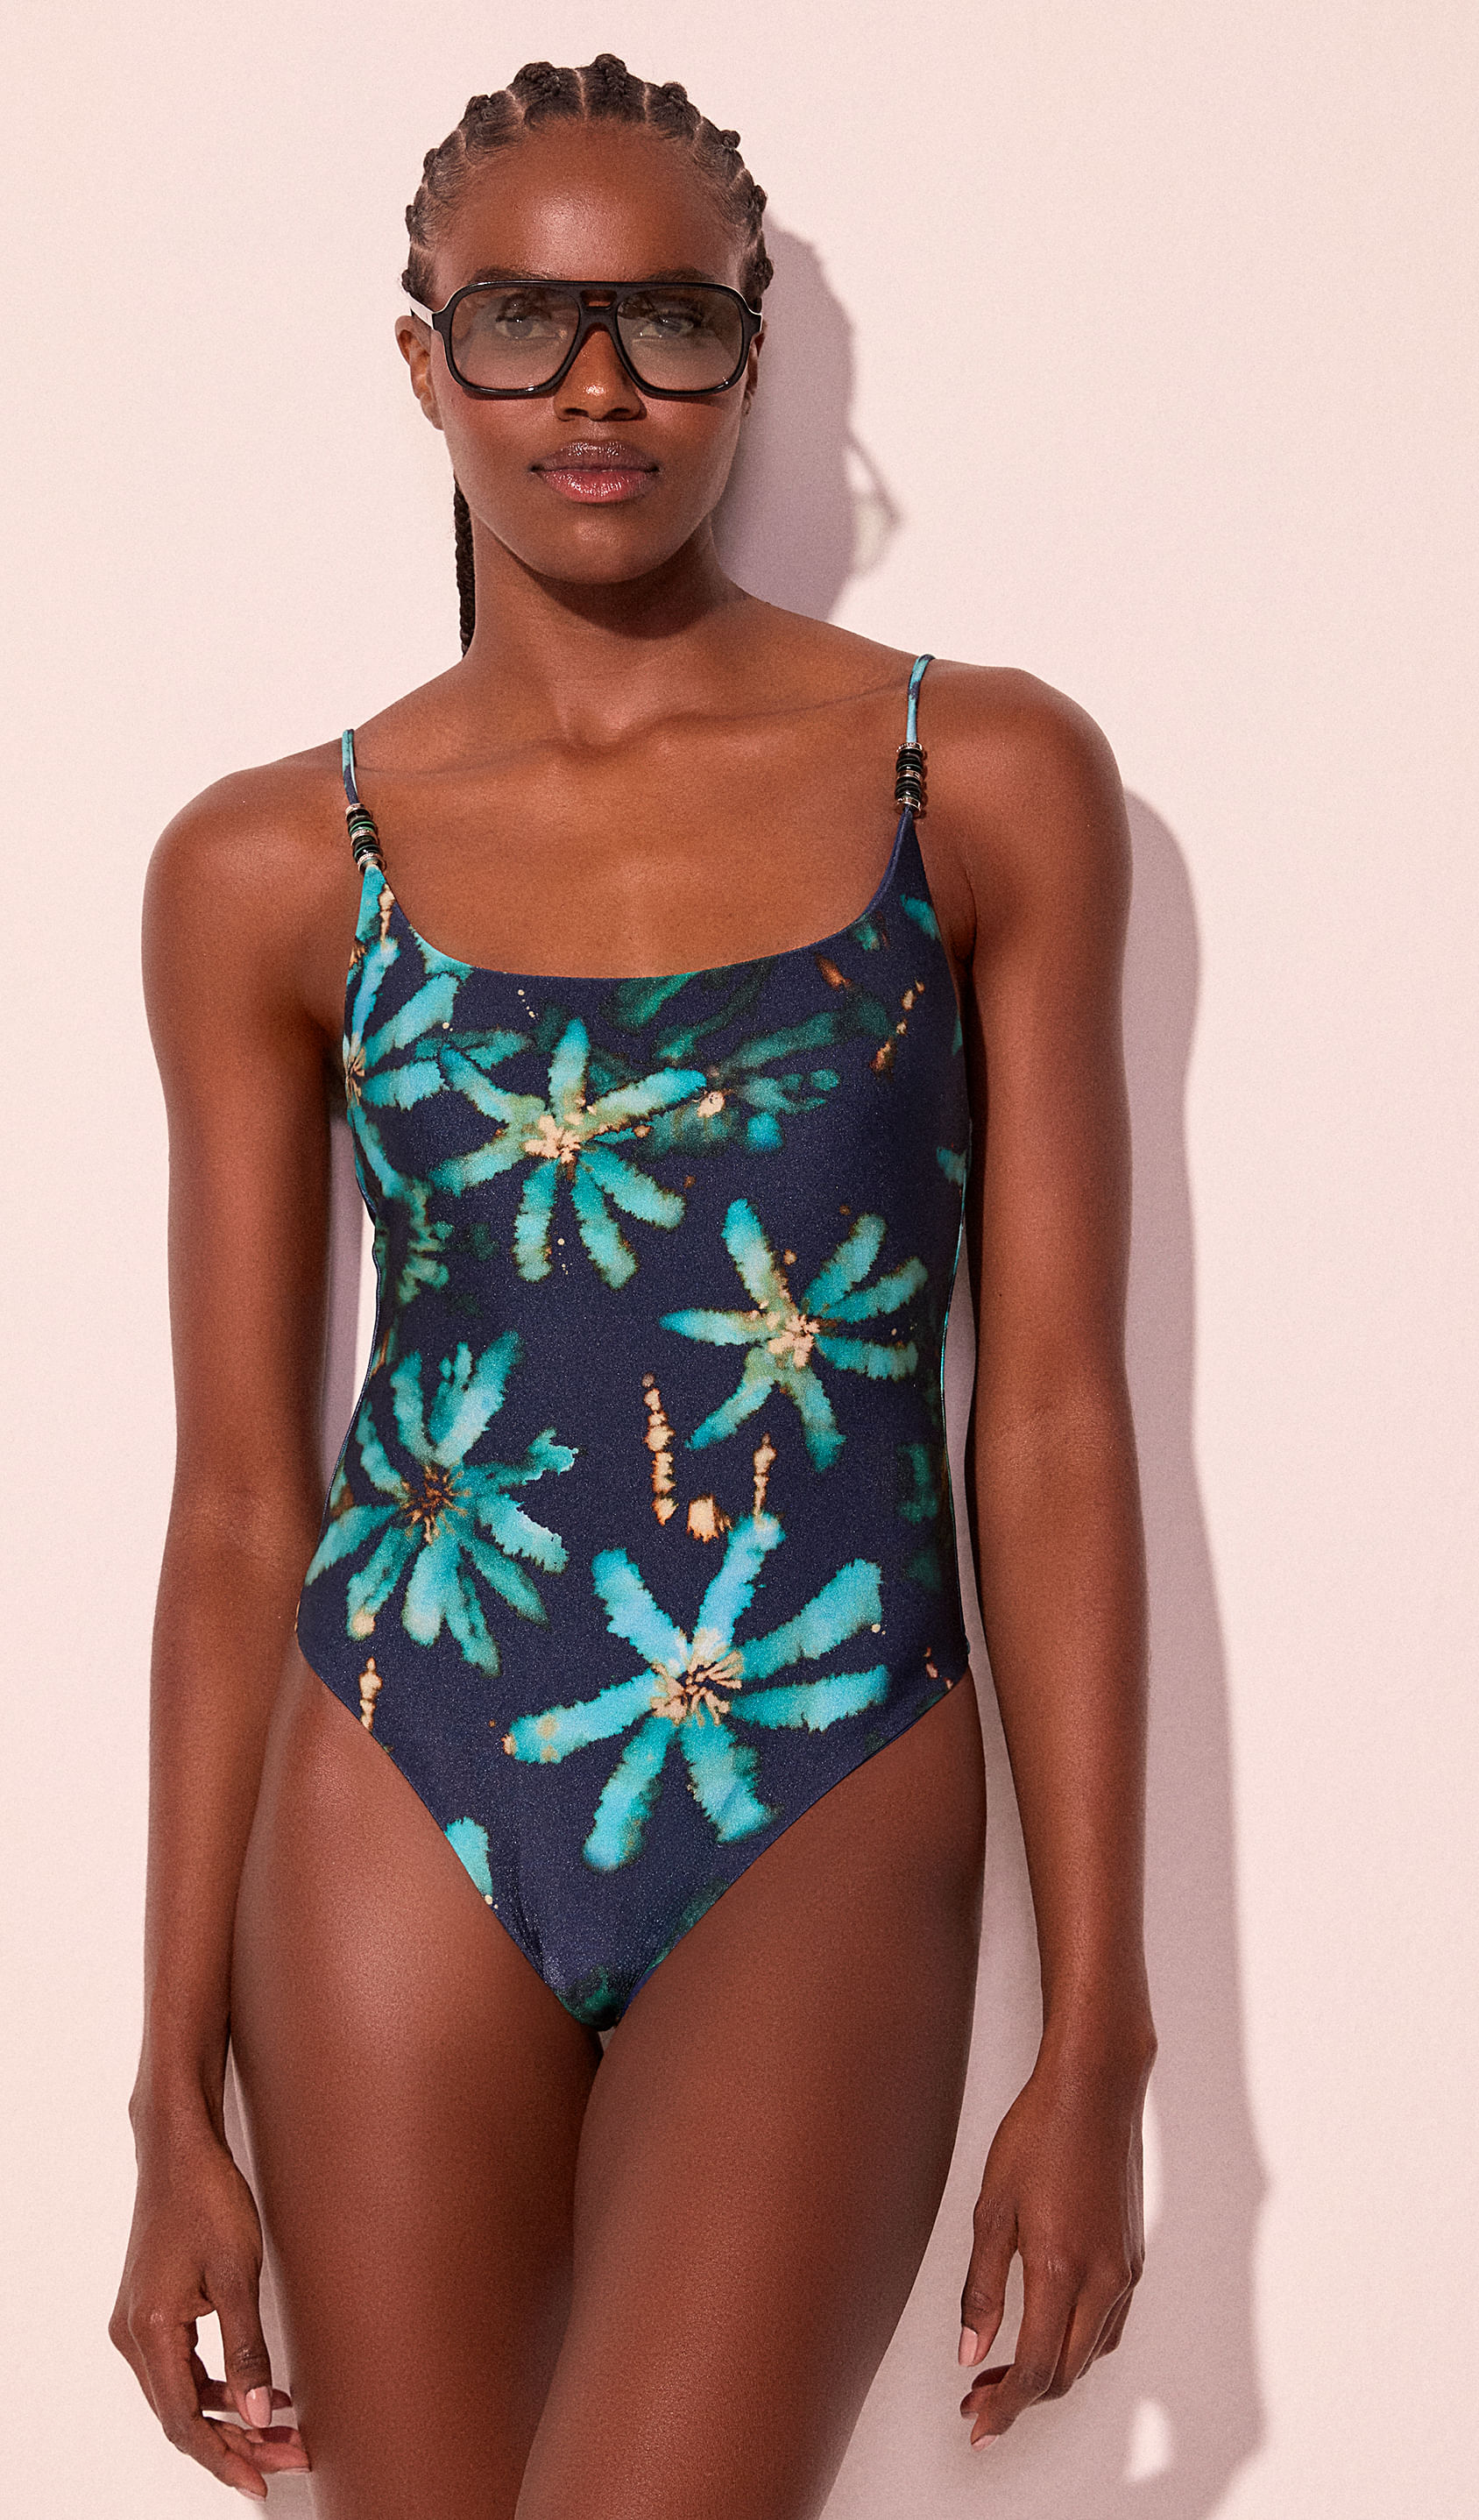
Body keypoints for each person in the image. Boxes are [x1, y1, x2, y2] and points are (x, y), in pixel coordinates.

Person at [110, 53, 1155, 2519]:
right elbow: (242, 1501)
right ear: (423, 361)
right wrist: (166, 2092)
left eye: (669, 320)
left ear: (749, 352)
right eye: (524, 322)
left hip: (829, 1768)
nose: (598, 387)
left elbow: (1051, 1422)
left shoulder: (982, 782)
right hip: (394, 1772)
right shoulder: (272, 866)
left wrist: (1101, 2031)